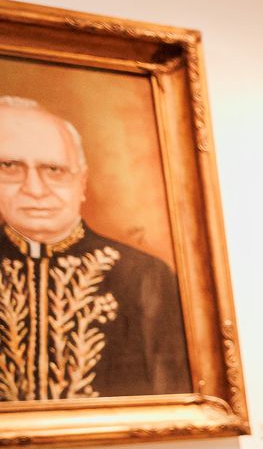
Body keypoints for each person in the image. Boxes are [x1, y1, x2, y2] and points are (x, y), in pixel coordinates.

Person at [0, 96, 190, 401]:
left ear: (82, 182)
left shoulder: (143, 275)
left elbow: (175, 399)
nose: (34, 189)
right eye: (10, 167)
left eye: (54, 169)